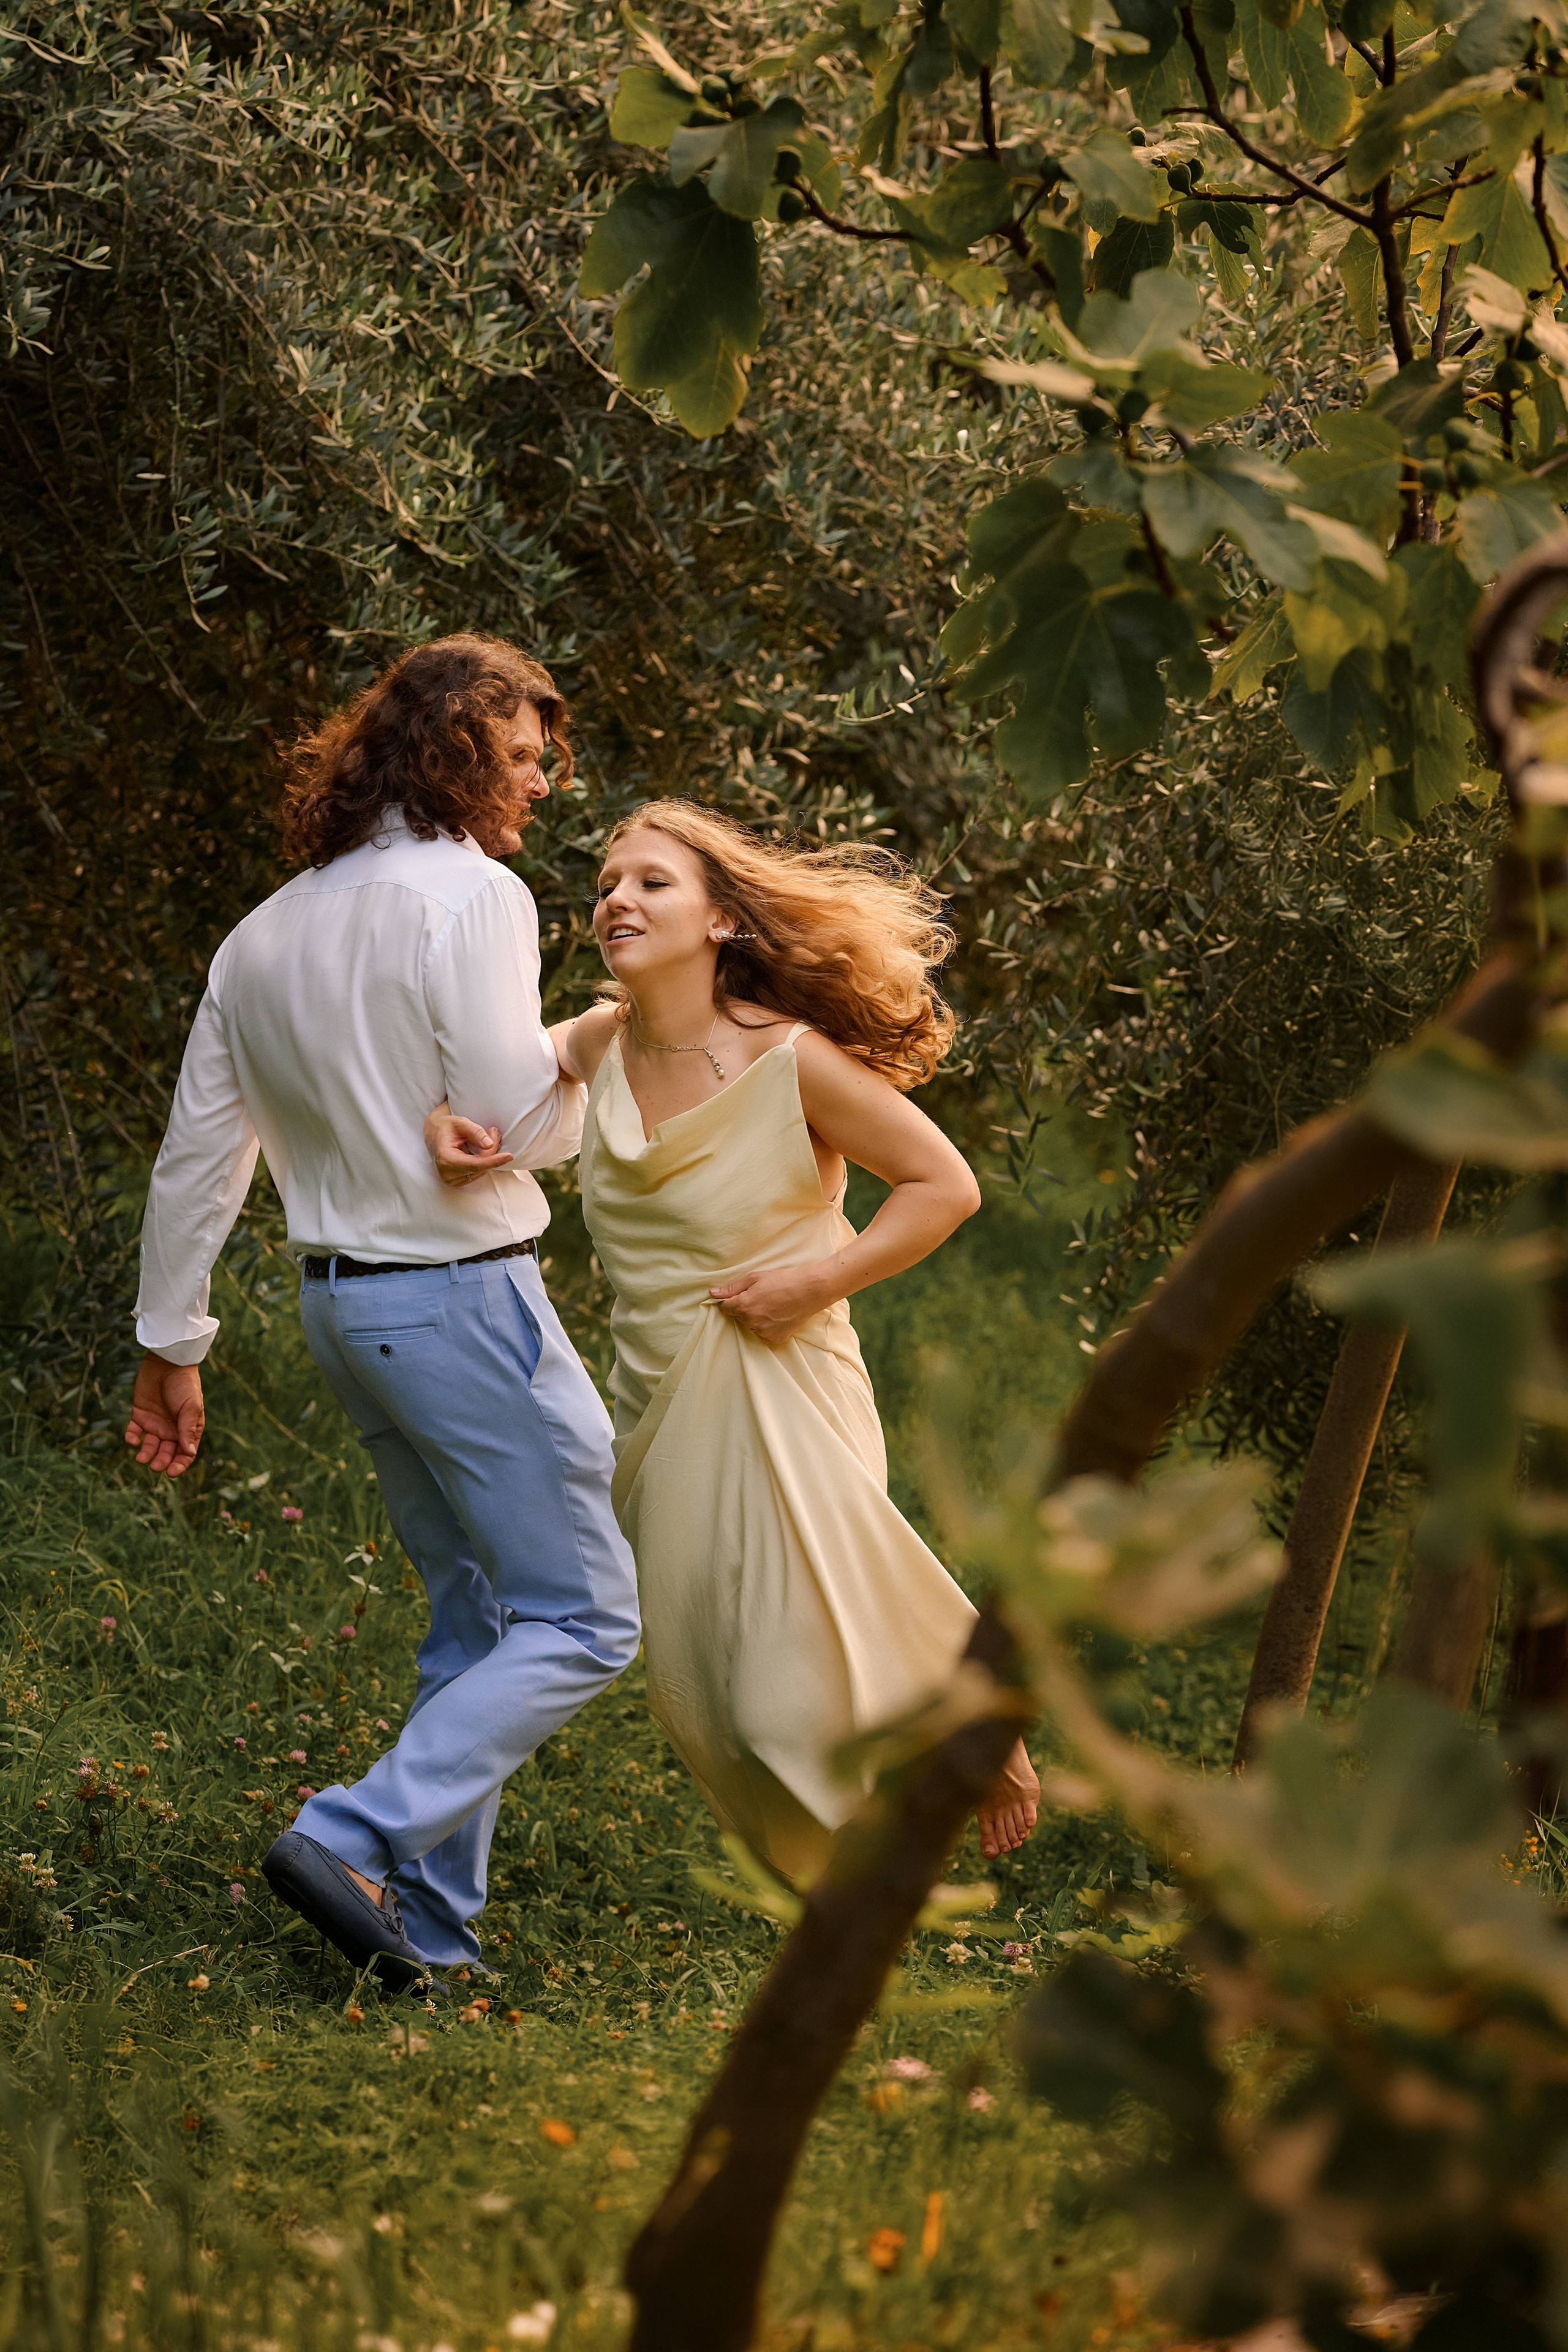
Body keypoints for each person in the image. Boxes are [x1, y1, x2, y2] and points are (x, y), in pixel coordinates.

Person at [124, 635, 641, 1989]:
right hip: (464, 1304)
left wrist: (169, 1345)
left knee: (476, 1616)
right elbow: (522, 1123)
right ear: (463, 747)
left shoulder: (264, 931)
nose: (540, 786)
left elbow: (198, 1156)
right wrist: (588, 1046)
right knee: (586, 1618)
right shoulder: (472, 897)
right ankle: (349, 1833)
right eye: (526, 758)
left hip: (342, 1313)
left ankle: (426, 1928)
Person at [427, 801, 1038, 1881]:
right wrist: (453, 1121)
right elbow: (509, 1090)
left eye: (653, 882)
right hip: (657, 1399)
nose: (618, 898)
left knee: (778, 1690)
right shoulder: (603, 1038)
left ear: (720, 920)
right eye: (609, 882)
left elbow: (946, 1185)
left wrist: (820, 1278)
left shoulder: (790, 1060)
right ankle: (888, 1826)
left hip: (783, 1375)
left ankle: (892, 1847)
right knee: (706, 1699)